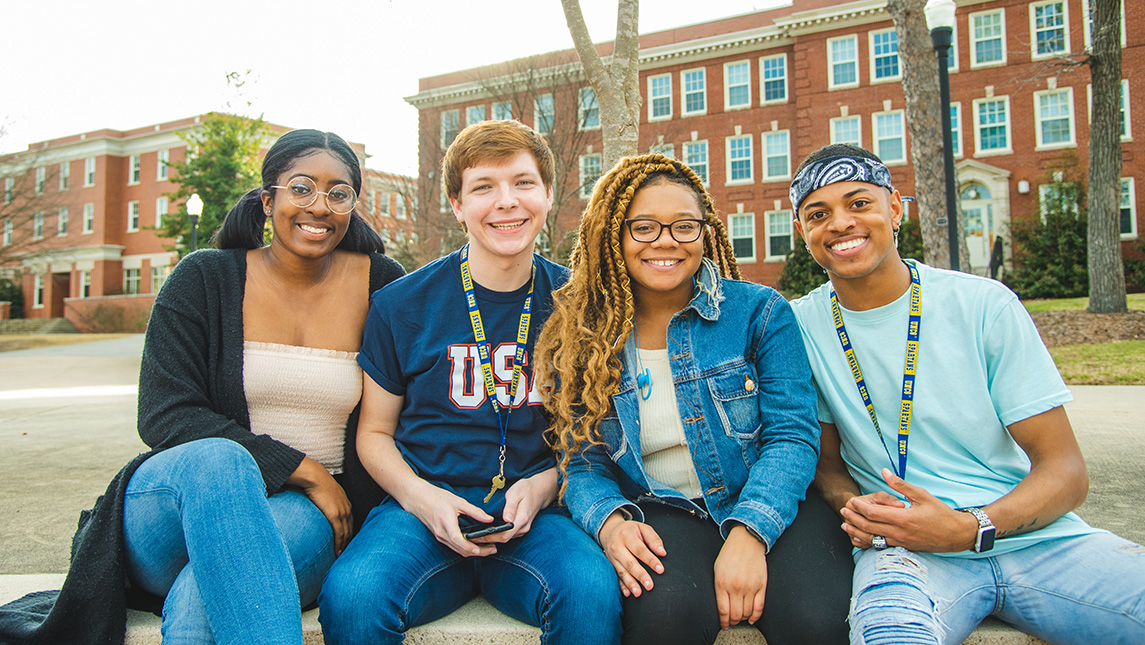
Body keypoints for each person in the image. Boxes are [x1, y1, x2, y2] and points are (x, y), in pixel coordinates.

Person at [0, 129, 405, 644]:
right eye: (301, 188)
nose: (319, 206)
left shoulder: (382, 284)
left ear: (351, 205)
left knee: (202, 594)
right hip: (174, 508)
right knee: (221, 459)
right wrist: (303, 469)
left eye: (338, 193)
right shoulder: (204, 278)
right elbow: (164, 412)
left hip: (304, 517)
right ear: (268, 200)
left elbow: (410, 405)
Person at [787, 143, 1145, 645]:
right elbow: (826, 465)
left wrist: (967, 527)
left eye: (859, 203)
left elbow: (1065, 472)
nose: (841, 223)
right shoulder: (799, 327)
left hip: (1037, 540)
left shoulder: (983, 305)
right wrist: (863, 510)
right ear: (801, 231)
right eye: (818, 214)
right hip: (904, 552)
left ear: (895, 208)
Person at [318, 120, 621, 644]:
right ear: (457, 206)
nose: (506, 201)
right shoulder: (401, 305)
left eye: (523, 183)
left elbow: (597, 433)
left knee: (590, 592)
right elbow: (374, 433)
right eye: (483, 187)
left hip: (537, 515)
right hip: (421, 514)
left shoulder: (581, 305)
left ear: (548, 194)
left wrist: (546, 485)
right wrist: (421, 499)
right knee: (353, 596)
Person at [534, 153, 853, 645]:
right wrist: (610, 523)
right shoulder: (583, 335)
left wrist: (751, 531)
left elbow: (793, 437)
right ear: (613, 234)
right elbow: (582, 460)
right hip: (660, 509)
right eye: (644, 227)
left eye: (684, 226)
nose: (666, 241)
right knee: (666, 622)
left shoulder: (759, 312)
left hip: (766, 497)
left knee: (816, 622)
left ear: (705, 232)